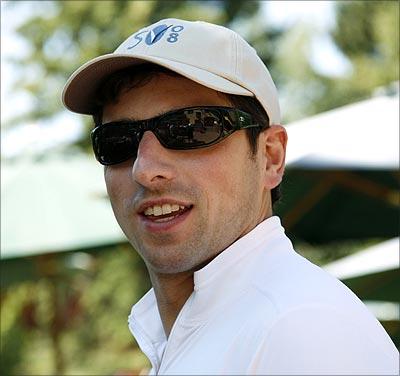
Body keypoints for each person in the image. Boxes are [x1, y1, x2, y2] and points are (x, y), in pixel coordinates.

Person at [62, 18, 399, 375]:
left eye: (193, 128)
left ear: (270, 156)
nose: (144, 169)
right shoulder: (223, 331)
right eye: (117, 140)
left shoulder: (299, 327)